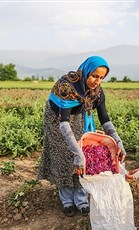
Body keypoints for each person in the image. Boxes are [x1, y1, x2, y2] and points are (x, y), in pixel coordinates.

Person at [37, 56, 126, 217]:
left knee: (83, 152)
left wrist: (118, 142)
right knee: (63, 155)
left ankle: (81, 199)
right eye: (94, 76)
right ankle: (66, 200)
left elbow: (105, 119)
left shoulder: (96, 92)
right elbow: (63, 123)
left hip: (77, 115)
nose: (96, 81)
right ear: (86, 72)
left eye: (101, 77)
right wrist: (77, 154)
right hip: (57, 118)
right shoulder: (67, 86)